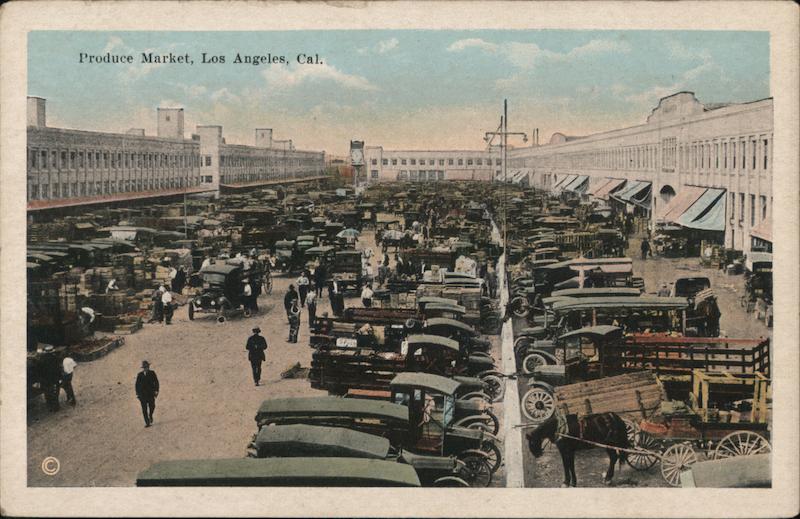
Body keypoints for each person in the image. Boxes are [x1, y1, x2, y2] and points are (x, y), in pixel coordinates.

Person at [135, 360, 159, 428]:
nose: (146, 368)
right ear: (143, 368)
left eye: (147, 367)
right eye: (145, 367)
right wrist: (137, 394)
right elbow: (137, 385)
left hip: (150, 394)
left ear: (149, 367)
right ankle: (147, 422)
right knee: (144, 410)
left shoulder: (152, 373)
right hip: (142, 396)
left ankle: (150, 415)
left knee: (152, 406)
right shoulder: (139, 375)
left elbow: (156, 382)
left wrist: (156, 390)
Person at [41, 345, 62, 412]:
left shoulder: (42, 359)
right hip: (54, 379)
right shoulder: (55, 358)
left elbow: (40, 370)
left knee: (48, 393)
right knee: (55, 393)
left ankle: (49, 406)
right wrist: (60, 377)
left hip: (46, 380)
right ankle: (56, 407)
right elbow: (58, 369)